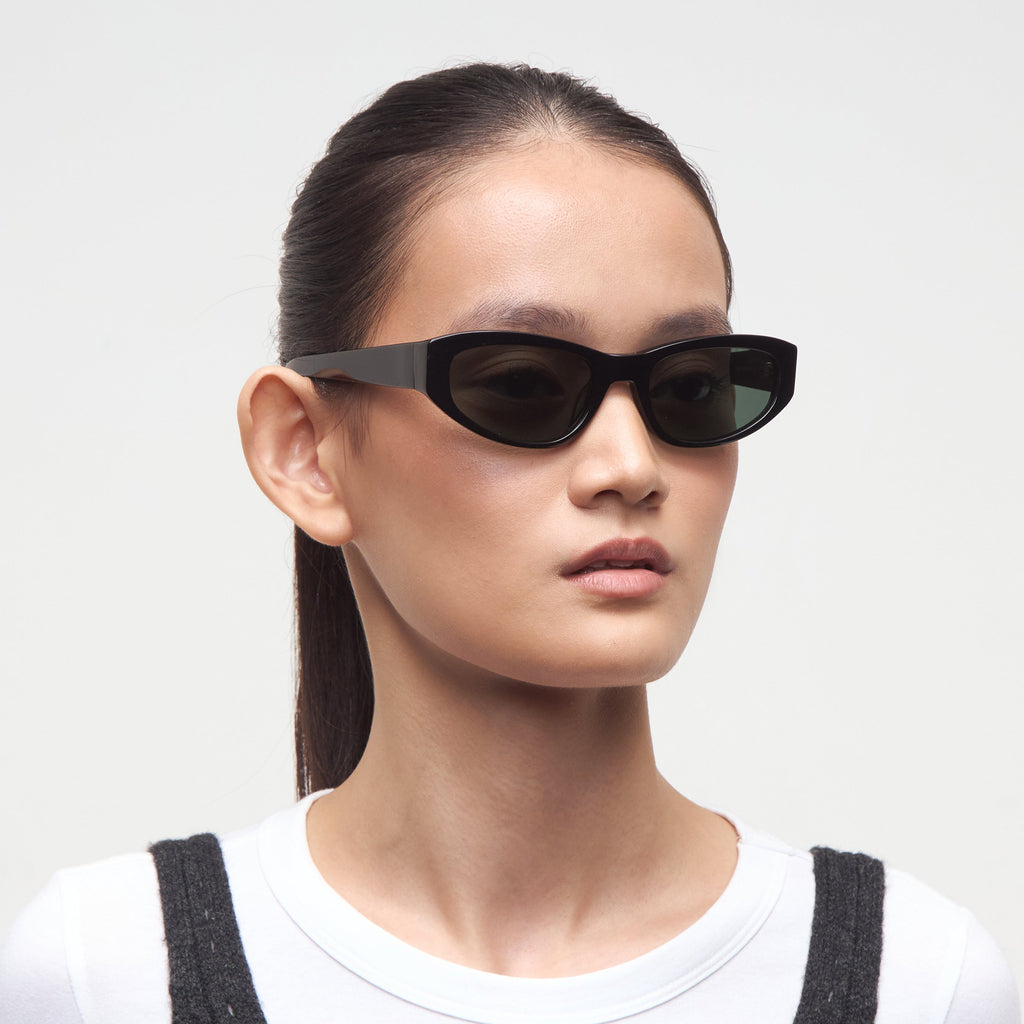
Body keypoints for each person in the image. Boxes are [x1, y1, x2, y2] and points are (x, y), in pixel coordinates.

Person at [0, 62, 1018, 1024]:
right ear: (304, 451)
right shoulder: (104, 974)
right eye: (522, 383)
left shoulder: (917, 984)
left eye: (690, 386)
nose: (631, 465)